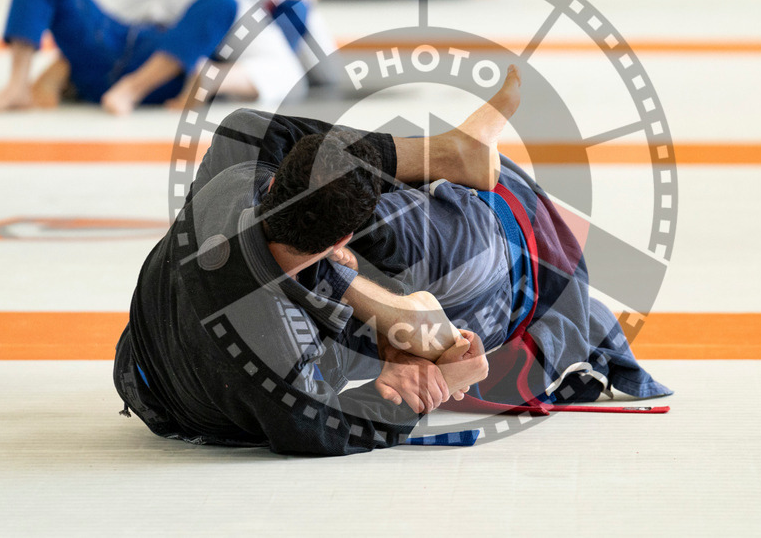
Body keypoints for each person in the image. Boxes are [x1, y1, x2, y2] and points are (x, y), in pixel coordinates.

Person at [114, 66, 670, 455]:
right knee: (458, 258)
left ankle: (448, 152)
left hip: (147, 358)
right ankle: (446, 170)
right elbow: (324, 431)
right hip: (206, 395)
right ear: (342, 240)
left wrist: (362, 296)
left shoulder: (232, 187)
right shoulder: (279, 364)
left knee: (251, 133)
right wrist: (433, 383)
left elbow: (265, 185)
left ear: (273, 185)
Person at [0, 0, 334, 115]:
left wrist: (210, 76)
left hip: (155, 59)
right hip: (140, 50)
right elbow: (293, 72)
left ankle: (25, 82)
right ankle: (19, 86)